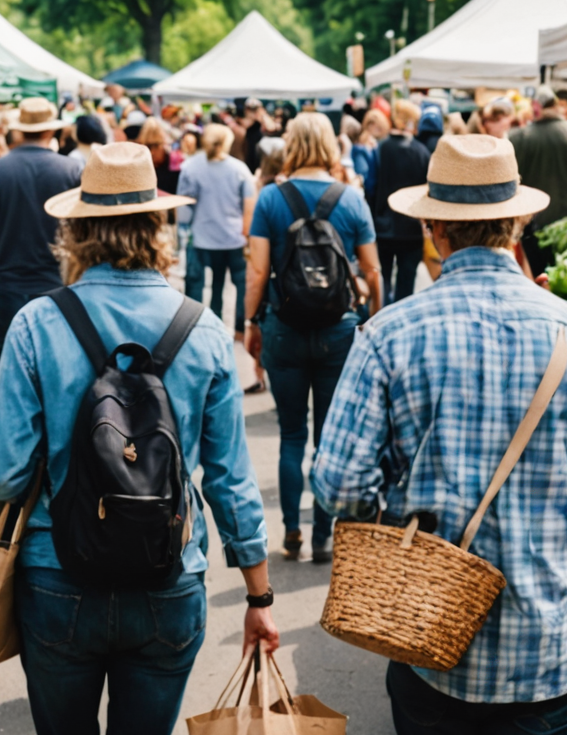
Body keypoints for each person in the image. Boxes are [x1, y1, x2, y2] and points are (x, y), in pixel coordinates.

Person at [312, 132, 567, 735]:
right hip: (542, 638)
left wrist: (406, 507)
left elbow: (340, 487)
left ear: (434, 228)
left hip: (427, 639)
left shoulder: (391, 333)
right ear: (516, 226)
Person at [0, 142, 276, 735]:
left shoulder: (41, 323)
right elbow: (234, 481)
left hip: (56, 576)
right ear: (158, 229)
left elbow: (1, 471)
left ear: (75, 232)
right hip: (169, 585)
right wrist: (261, 594)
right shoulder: (201, 329)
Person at [246, 113, 381, 563]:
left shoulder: (269, 199)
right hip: (338, 329)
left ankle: (289, 530)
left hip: (283, 328)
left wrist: (251, 323)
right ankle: (323, 532)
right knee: (328, 437)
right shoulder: (351, 199)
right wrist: (373, 315)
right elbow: (372, 269)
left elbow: (259, 271)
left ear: (290, 146)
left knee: (290, 435)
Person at [0, 96, 82, 457]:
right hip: (60, 290)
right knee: (60, 374)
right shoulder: (72, 171)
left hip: (6, 289)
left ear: (20, 129)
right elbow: (83, 241)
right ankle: (52, 450)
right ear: (51, 130)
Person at [509, 85, 567, 276]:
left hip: (531, 227)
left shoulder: (518, 138)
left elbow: (511, 184)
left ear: (536, 108)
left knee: (539, 278)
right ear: (557, 107)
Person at [177, 123, 258, 337]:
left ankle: (198, 329)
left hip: (202, 238)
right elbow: (249, 206)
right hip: (233, 238)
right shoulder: (240, 169)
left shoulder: (190, 167)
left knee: (198, 283)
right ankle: (239, 329)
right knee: (236, 282)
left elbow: (184, 212)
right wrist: (247, 236)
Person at [373, 103, 432, 305]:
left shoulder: (380, 148)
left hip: (382, 227)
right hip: (411, 227)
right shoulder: (421, 151)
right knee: (406, 286)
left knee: (383, 280)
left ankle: (381, 317)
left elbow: (371, 186)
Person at [135, 117, 179, 194]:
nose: (152, 152)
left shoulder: (174, 163)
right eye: (148, 146)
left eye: (155, 145)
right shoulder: (138, 165)